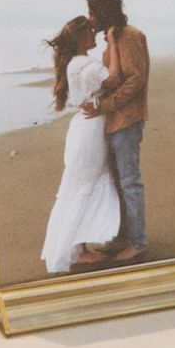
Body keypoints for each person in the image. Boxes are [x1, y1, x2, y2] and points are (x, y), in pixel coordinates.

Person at [40, 15, 122, 274]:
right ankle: (79, 251)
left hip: (85, 127)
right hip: (90, 130)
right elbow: (114, 80)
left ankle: (80, 247)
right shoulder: (84, 63)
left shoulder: (75, 63)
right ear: (79, 38)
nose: (95, 35)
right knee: (84, 186)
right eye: (90, 32)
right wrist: (115, 45)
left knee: (80, 186)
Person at [82, 0, 150, 264]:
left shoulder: (130, 36)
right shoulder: (113, 39)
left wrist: (105, 106)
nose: (89, 19)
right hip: (114, 120)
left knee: (130, 182)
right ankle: (123, 236)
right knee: (119, 183)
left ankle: (138, 242)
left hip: (127, 119)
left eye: (92, 13)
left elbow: (136, 80)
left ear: (103, 13)